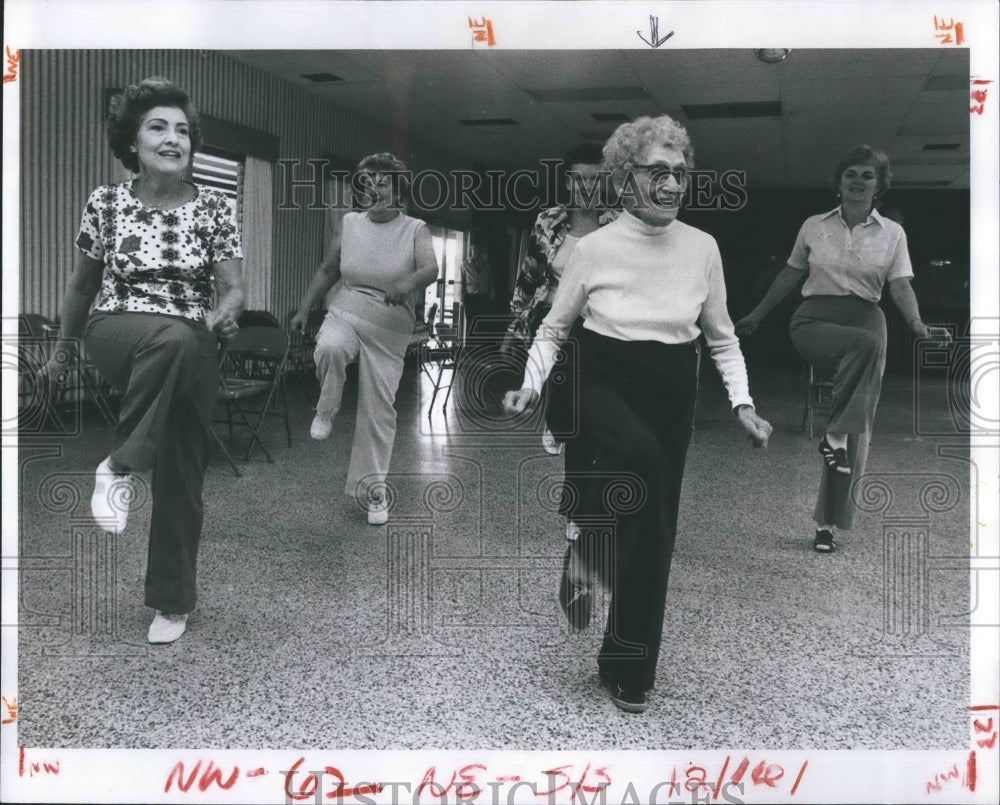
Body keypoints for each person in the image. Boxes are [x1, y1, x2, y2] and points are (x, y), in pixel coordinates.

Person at [503, 115, 772, 713]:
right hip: (596, 375)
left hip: (672, 386)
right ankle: (589, 545)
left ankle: (626, 665)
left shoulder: (703, 248)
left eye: (679, 173)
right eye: (657, 172)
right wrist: (529, 385)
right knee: (640, 460)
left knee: (655, 529)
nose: (672, 184)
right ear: (625, 180)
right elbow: (554, 328)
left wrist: (743, 403)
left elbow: (722, 337)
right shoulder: (593, 248)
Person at [40, 77, 244, 645]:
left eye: (182, 130)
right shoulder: (105, 203)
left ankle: (172, 602)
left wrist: (226, 311)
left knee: (184, 472)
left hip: (193, 341)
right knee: (172, 338)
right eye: (158, 127)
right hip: (117, 328)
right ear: (132, 141)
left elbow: (232, 287)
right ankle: (120, 465)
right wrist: (63, 350)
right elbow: (83, 286)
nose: (173, 138)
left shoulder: (215, 207)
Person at [735, 145, 950, 554]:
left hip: (867, 316)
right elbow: (789, 275)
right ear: (838, 182)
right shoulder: (813, 226)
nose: (858, 181)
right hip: (814, 319)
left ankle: (827, 525)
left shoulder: (893, 233)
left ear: (879, 185)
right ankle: (833, 434)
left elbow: (900, 285)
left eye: (867, 175)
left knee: (856, 431)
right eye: (851, 173)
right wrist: (757, 315)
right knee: (864, 352)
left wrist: (917, 325)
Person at [290, 153, 439, 525]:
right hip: (347, 307)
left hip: (390, 326)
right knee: (330, 346)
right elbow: (328, 269)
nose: (373, 189)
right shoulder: (350, 223)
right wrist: (304, 308)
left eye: (382, 183)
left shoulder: (415, 229)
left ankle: (374, 492)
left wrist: (407, 283)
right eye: (367, 183)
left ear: (398, 191)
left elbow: (430, 268)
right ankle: (326, 408)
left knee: (378, 411)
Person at [502, 142, 617, 456]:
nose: (587, 187)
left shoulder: (617, 224)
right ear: (568, 182)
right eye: (580, 179)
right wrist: (515, 324)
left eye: (595, 179)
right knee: (566, 357)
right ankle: (558, 417)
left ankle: (566, 418)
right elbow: (530, 274)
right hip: (553, 310)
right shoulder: (547, 221)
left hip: (599, 316)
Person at [460, 238, 492, 335]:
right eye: (474, 248)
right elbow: (462, 282)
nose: (476, 251)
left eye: (478, 249)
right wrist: (461, 298)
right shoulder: (465, 264)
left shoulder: (486, 264)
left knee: (481, 323)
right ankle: (470, 341)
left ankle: (478, 341)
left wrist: (491, 295)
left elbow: (490, 281)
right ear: (471, 249)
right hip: (470, 297)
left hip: (483, 296)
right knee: (471, 322)